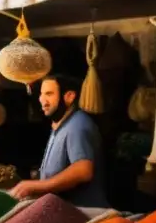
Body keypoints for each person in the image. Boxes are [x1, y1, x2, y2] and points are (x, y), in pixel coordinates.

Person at [11, 73, 108, 208]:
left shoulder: (78, 125)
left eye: (49, 94)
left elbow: (83, 170)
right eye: (41, 94)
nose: (42, 100)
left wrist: (37, 186)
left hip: (81, 213)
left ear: (69, 96)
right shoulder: (61, 124)